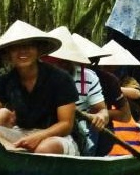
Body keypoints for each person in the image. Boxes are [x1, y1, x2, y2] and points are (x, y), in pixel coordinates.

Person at [0, 20, 79, 155]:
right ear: (8, 54)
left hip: (55, 137)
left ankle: (12, 153)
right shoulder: (6, 81)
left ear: (38, 50)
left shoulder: (61, 78)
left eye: (29, 46)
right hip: (20, 135)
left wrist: (39, 136)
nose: (23, 51)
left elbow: (66, 124)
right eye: (16, 47)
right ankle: (14, 151)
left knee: (45, 148)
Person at [44, 26, 111, 156]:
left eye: (62, 61)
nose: (57, 65)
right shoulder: (33, 75)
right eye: (53, 61)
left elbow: (102, 111)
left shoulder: (88, 77)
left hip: (75, 133)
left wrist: (101, 117)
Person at [72, 33, 136, 156]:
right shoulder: (51, 76)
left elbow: (125, 115)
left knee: (91, 126)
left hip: (99, 134)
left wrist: (92, 115)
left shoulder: (107, 79)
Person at [99, 39, 140, 124]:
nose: (112, 68)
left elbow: (136, 93)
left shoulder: (126, 79)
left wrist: (114, 88)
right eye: (108, 66)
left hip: (121, 113)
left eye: (115, 66)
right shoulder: (97, 77)